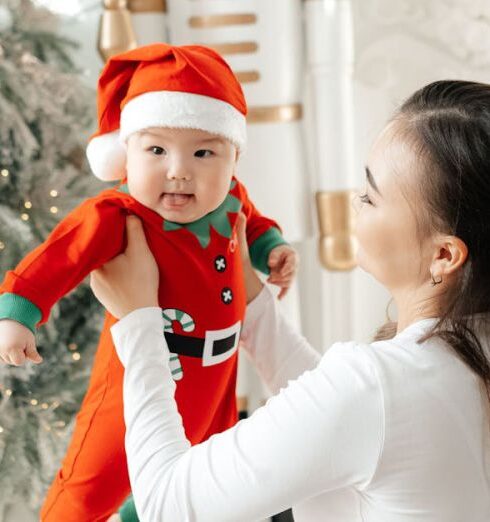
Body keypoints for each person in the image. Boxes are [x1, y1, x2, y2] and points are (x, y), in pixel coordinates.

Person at [90, 80, 490, 522]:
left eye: (371, 196)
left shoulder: (376, 387)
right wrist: (252, 298)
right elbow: (339, 423)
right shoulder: (447, 360)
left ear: (443, 255)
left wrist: (139, 320)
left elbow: (166, 505)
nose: (354, 205)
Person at [0, 43, 298, 521]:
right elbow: (57, 257)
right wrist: (20, 313)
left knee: (202, 475)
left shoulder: (231, 199)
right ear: (126, 155)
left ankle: (142, 512)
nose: (178, 170)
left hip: (218, 380)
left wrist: (272, 248)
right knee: (93, 478)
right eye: (156, 149)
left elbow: (255, 222)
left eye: (204, 152)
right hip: (135, 381)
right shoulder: (118, 215)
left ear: (233, 158)